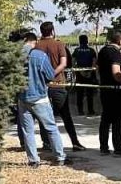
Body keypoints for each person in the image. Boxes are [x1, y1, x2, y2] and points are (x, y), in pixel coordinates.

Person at [17, 31, 67, 167]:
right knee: (51, 127)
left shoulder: (15, 57)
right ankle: (60, 156)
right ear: (34, 42)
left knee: (28, 131)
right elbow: (50, 75)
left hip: (22, 98)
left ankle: (33, 160)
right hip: (40, 98)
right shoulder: (40, 56)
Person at [35, 22, 86, 152]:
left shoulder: (37, 46)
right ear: (52, 31)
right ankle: (75, 142)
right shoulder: (59, 44)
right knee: (65, 115)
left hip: (43, 85)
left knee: (43, 115)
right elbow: (63, 64)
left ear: (41, 32)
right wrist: (52, 74)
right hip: (58, 84)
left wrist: (45, 76)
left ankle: (46, 143)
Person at [97, 29, 121, 157]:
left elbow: (97, 68)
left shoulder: (102, 51)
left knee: (106, 118)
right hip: (116, 91)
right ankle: (118, 147)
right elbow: (116, 72)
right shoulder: (115, 53)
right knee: (117, 120)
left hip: (105, 89)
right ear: (120, 40)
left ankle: (103, 147)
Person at [71, 34, 98, 115]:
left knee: (80, 93)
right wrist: (90, 72)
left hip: (80, 74)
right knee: (90, 92)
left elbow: (73, 62)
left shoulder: (76, 50)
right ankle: (91, 110)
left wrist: (79, 71)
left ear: (79, 41)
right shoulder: (91, 50)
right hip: (90, 74)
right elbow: (94, 62)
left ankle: (80, 111)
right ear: (87, 41)